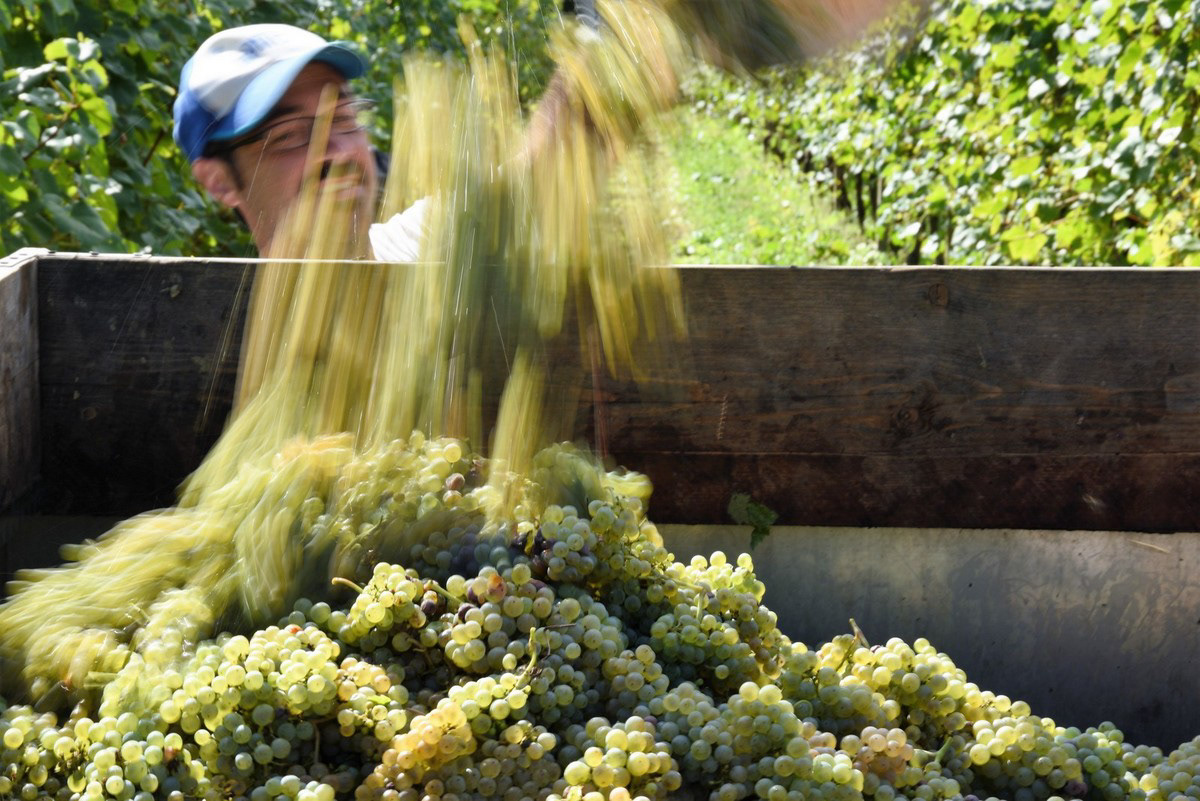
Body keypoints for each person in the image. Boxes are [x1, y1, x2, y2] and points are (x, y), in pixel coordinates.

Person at [173, 23, 425, 260]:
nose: (339, 153)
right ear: (220, 182)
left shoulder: (431, 246)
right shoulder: (222, 304)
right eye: (288, 135)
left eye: (343, 118)